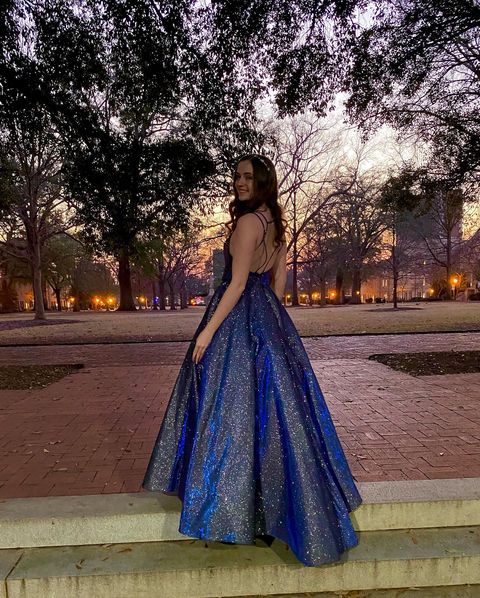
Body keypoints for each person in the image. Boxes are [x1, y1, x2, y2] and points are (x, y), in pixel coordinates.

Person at [142, 153, 362, 567]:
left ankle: (231, 507)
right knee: (271, 415)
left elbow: (237, 283)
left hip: (238, 320)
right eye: (237, 176)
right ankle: (271, 506)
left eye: (247, 177)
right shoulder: (276, 225)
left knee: (231, 412)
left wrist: (208, 332)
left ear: (262, 181)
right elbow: (277, 287)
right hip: (267, 320)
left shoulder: (247, 224)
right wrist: (270, 329)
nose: (239, 182)